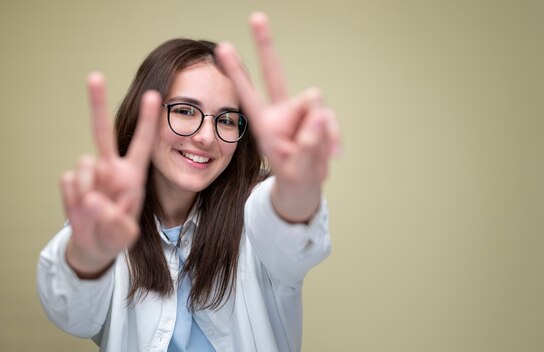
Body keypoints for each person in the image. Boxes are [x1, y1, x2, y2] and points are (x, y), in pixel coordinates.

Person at [36, 12, 340, 352]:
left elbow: (287, 235)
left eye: (226, 119)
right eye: (184, 110)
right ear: (143, 117)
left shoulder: (255, 214)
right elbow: (70, 313)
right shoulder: (106, 219)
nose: (207, 137)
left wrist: (296, 191)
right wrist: (89, 258)